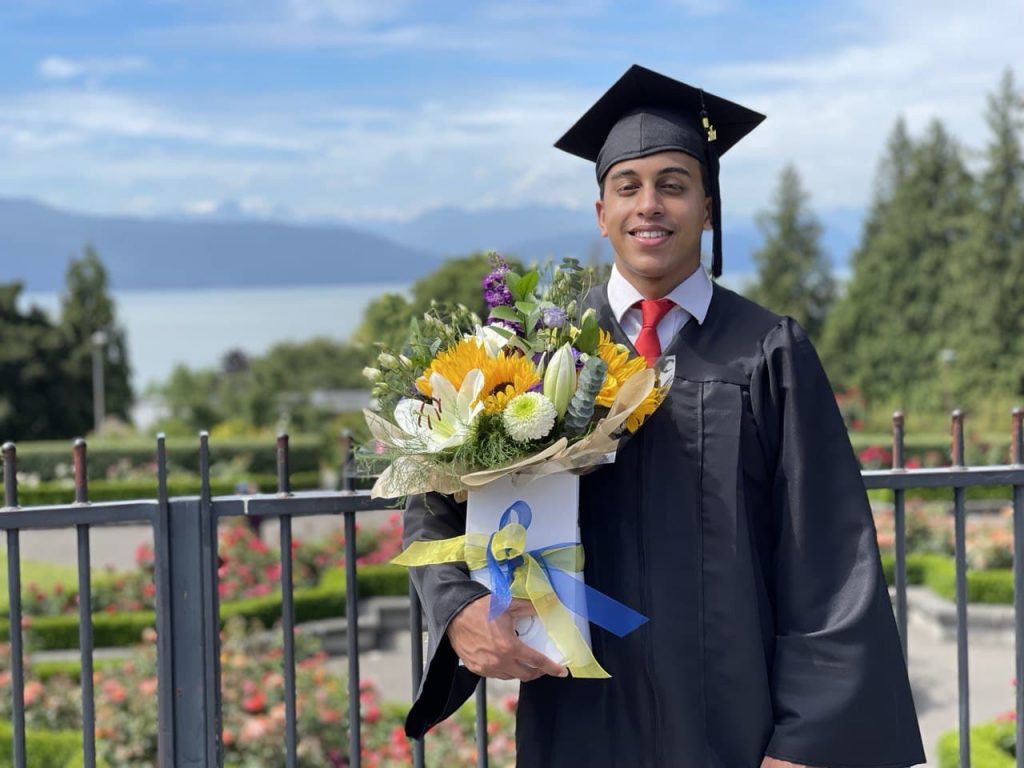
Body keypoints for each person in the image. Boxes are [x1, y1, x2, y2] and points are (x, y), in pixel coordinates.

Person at [402, 64, 925, 767]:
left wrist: (806, 743)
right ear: (601, 214)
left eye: (673, 185)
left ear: (707, 208)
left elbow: (827, 556)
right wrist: (457, 606)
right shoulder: (536, 352)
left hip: (737, 726)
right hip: (578, 716)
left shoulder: (769, 351)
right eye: (629, 186)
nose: (650, 204)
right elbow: (434, 498)